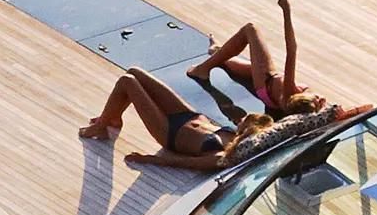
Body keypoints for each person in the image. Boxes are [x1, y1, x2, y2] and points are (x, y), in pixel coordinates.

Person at [188, 0, 331, 118]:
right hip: (268, 94)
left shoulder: (291, 92)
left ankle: (201, 70)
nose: (321, 98)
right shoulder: (303, 107)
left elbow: (291, 51)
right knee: (225, 60)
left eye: (317, 101)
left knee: (250, 29)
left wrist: (286, 11)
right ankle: (216, 51)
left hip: (265, 79)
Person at [77, 66, 249, 171]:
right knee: (134, 72)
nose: (239, 122)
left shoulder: (224, 156)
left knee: (127, 81)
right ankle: (113, 117)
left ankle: (101, 126)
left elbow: (187, 163)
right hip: (188, 115)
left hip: (169, 132)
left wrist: (149, 160)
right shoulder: (238, 136)